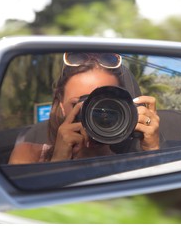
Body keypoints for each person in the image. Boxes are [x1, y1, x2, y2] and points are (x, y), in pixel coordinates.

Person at [9, 52, 160, 164]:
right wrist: (58, 161)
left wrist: (152, 150)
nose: (96, 113)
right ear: (61, 106)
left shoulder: (133, 163)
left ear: (125, 108)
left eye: (106, 104)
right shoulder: (27, 155)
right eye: (80, 104)